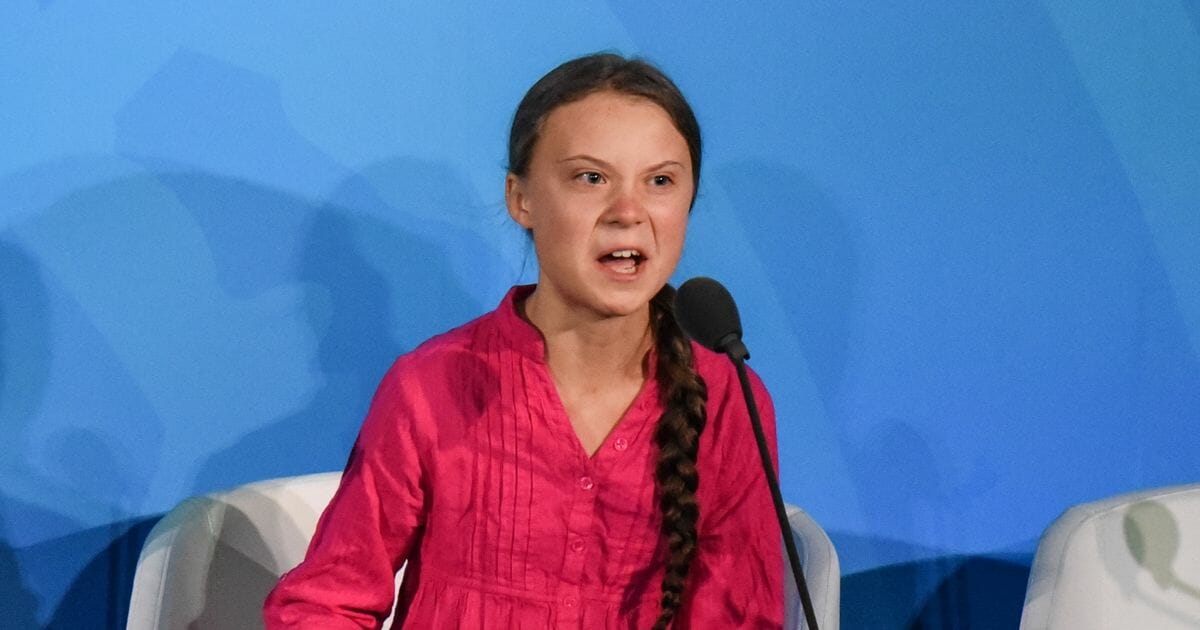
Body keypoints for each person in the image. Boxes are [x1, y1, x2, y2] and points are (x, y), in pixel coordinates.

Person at [264, 52, 784, 629]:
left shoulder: (730, 398)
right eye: (591, 178)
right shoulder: (430, 385)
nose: (629, 212)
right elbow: (323, 605)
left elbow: (739, 616)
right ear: (522, 199)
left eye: (660, 181)